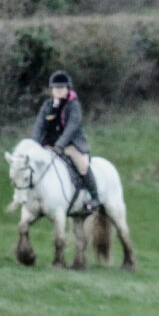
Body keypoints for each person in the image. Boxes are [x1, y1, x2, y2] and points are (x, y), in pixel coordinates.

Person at [30, 70, 100, 213]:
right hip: (49, 145)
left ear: (68, 89)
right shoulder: (47, 106)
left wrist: (60, 145)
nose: (58, 90)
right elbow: (39, 126)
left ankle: (94, 197)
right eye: (55, 88)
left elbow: (72, 127)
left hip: (70, 145)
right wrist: (33, 145)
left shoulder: (73, 105)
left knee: (82, 164)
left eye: (61, 88)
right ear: (51, 90)